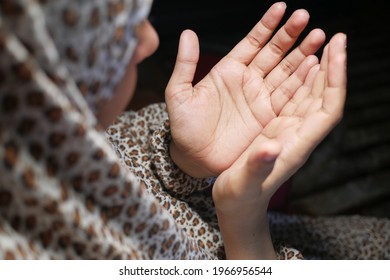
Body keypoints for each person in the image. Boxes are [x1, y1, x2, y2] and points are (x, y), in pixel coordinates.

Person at [0, 0, 388, 260]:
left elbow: (122, 143)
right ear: (45, 71)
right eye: (122, 32)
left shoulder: (35, 137)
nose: (150, 41)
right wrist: (245, 222)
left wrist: (181, 158)